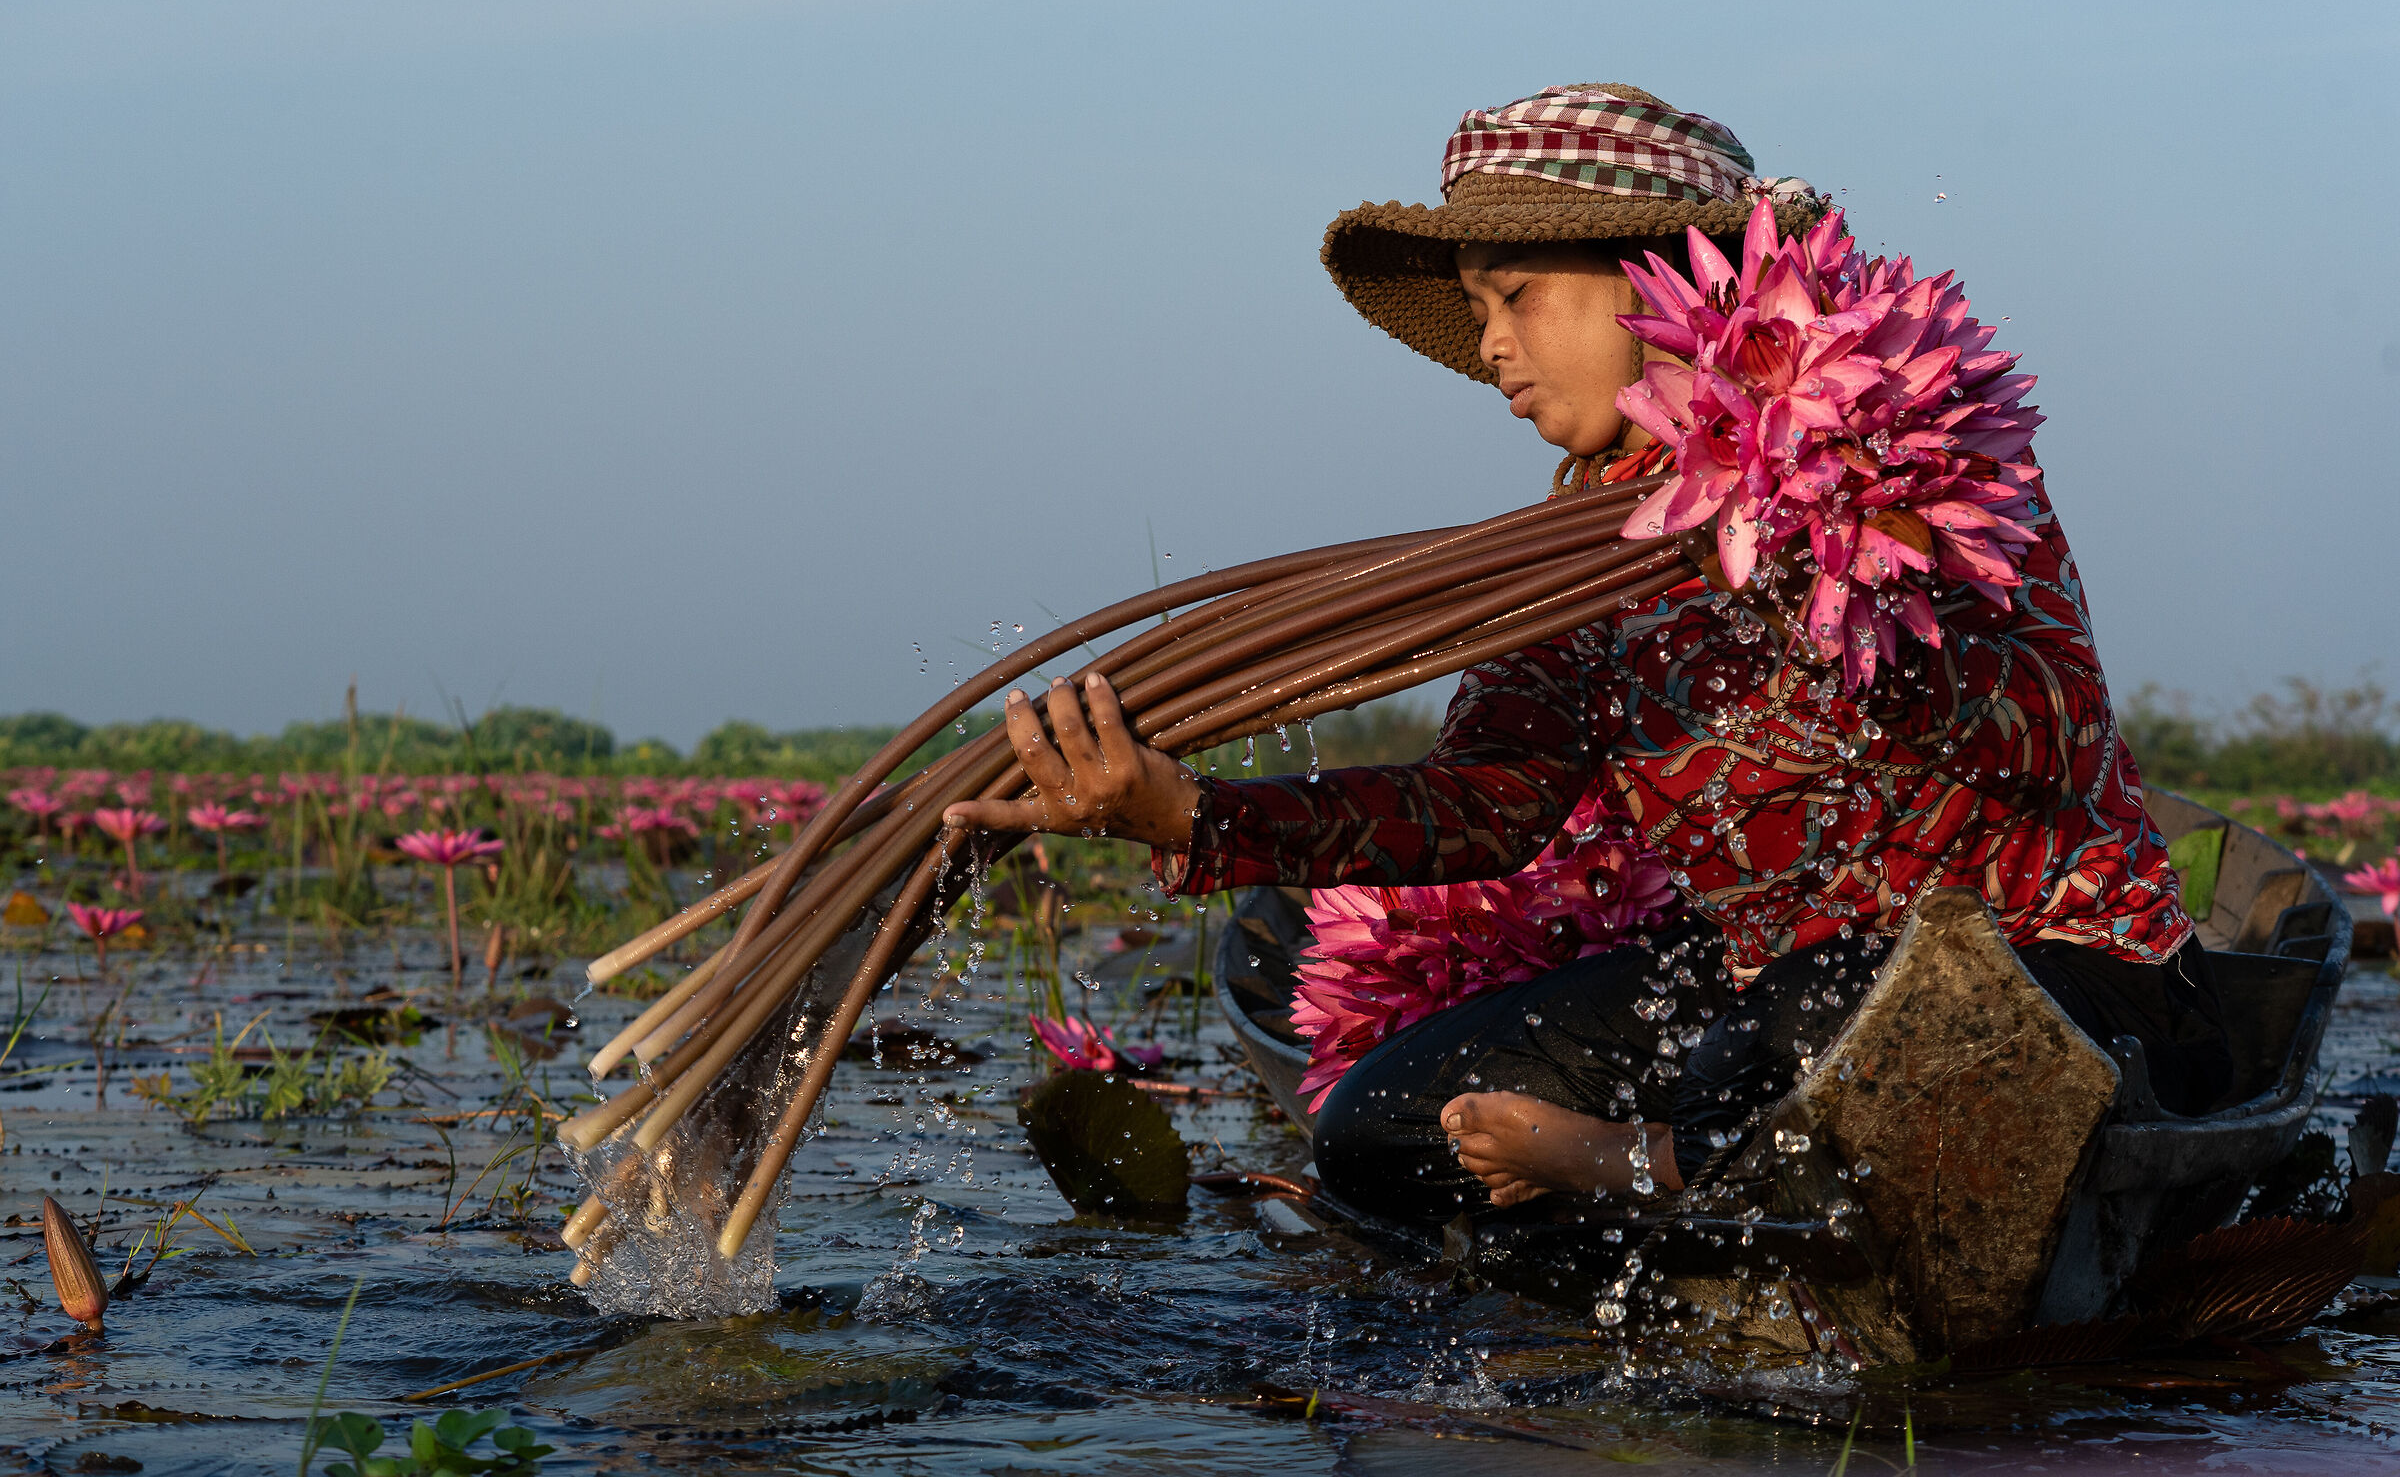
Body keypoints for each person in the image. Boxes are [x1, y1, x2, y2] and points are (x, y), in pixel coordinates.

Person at [944, 83, 2230, 1232]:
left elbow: (2050, 727)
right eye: (1475, 312)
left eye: (1516, 299)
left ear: (1665, 280)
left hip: (2051, 977)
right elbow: (1483, 808)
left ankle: (1658, 1167)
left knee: (1847, 1006)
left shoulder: (1908, 438)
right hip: (1769, 993)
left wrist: (1813, 566)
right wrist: (1189, 810)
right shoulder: (1581, 549)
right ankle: (1709, 1179)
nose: (1492, 348)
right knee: (1377, 1129)